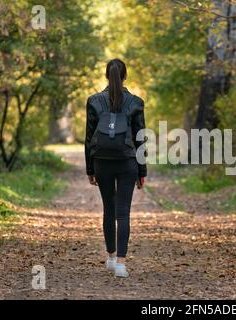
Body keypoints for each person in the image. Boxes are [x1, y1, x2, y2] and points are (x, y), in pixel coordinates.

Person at [84, 58, 147, 278]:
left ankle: (111, 258)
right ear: (125, 76)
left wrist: (90, 169)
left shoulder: (94, 101)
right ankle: (121, 264)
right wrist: (142, 171)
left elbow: (89, 137)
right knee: (123, 212)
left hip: (102, 162)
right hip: (127, 161)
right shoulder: (136, 102)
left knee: (108, 210)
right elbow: (140, 139)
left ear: (106, 76)